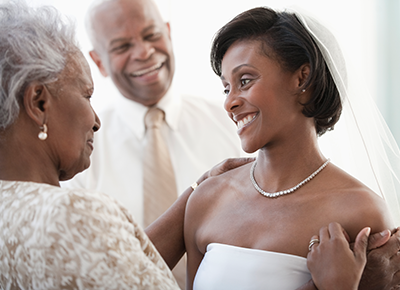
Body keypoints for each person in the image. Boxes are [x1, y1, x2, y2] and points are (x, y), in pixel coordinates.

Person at [184, 6, 400, 290]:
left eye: (245, 81)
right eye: (226, 88)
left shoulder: (360, 211)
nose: (229, 103)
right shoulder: (207, 200)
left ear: (302, 79)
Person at [63, 0, 243, 227]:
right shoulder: (80, 149)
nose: (144, 52)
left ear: (168, 33)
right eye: (122, 47)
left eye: (151, 35)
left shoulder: (232, 122)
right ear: (99, 62)